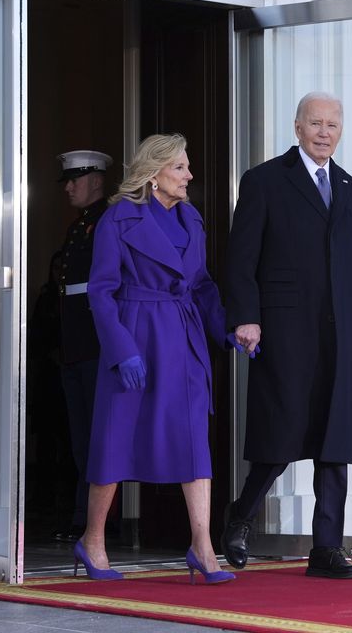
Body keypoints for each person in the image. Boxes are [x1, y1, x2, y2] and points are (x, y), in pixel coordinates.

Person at [222, 91, 352, 580]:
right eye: (315, 123)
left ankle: (326, 548)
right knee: (281, 434)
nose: (324, 132)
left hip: (339, 332)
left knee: (334, 441)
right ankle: (241, 516)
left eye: (333, 125)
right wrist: (245, 317)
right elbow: (241, 259)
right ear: (297, 127)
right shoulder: (264, 181)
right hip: (283, 330)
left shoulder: (351, 188)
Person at [77, 133, 237, 584]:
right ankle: (93, 541)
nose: (189, 175)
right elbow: (101, 291)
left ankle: (203, 547)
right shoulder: (117, 220)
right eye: (180, 168)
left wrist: (225, 330)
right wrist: (122, 349)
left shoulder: (191, 219)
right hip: (135, 334)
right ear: (154, 174)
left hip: (183, 338)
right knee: (116, 438)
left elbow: (202, 285)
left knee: (192, 439)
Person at [51, 149, 113, 543]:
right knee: (80, 437)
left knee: (97, 435)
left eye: (76, 179)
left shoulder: (108, 220)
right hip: (74, 341)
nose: (69, 187)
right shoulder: (79, 226)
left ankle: (90, 522)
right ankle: (80, 515)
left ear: (96, 180)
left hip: (95, 341)